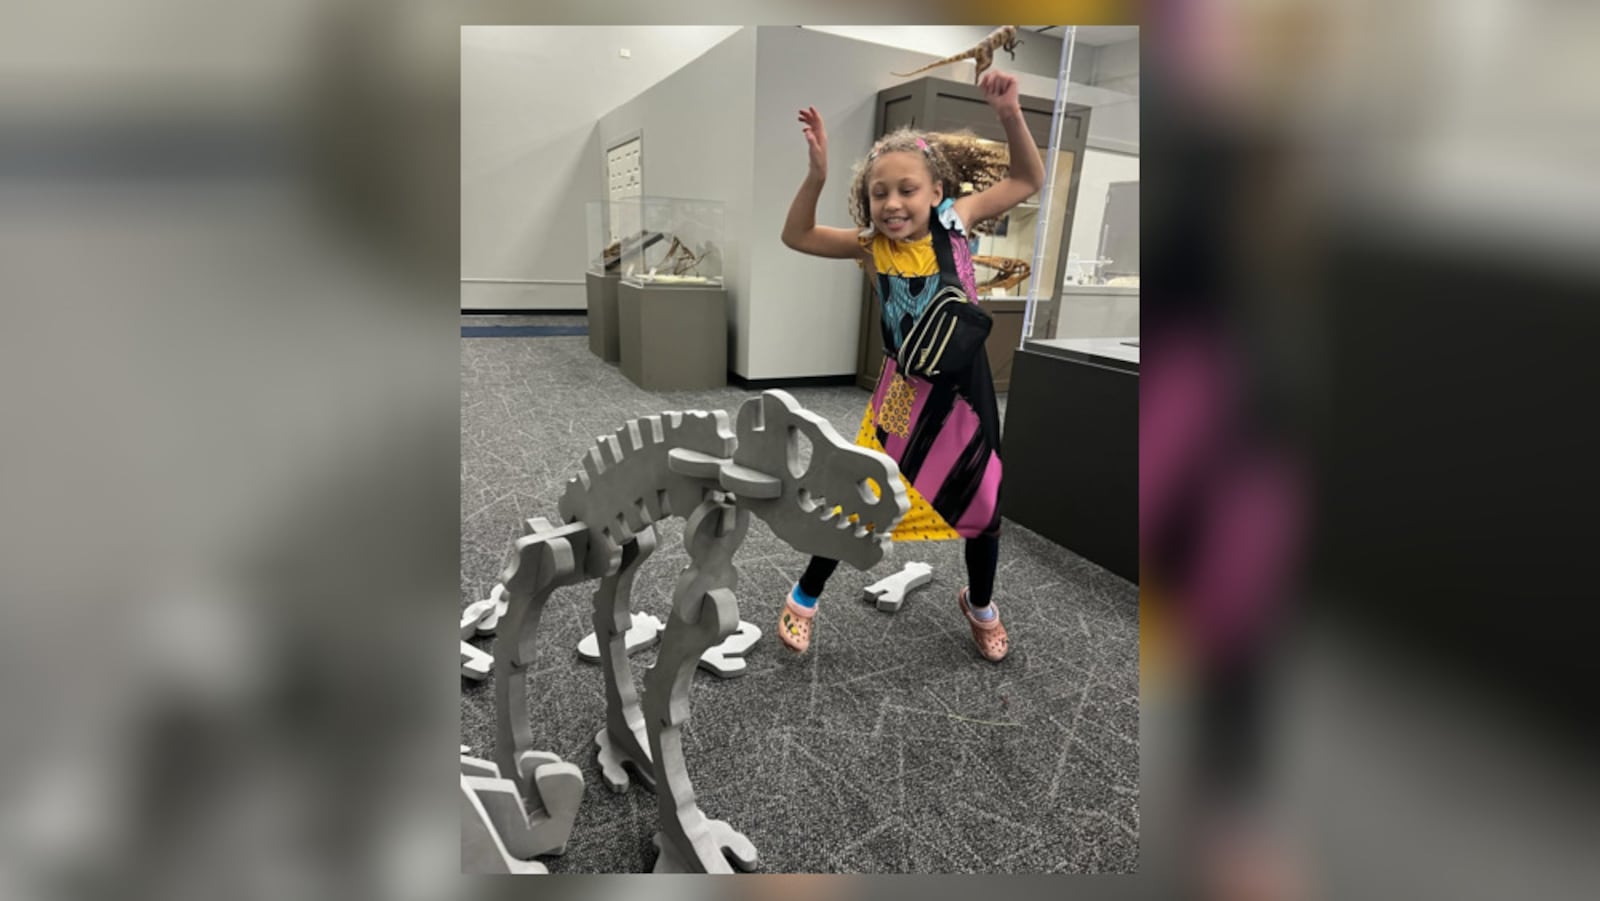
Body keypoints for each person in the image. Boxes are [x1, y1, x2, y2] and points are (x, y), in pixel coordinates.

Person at [777, 70, 1045, 662]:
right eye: (879, 192)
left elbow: (1028, 178)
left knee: (983, 505)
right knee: (861, 493)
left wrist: (1010, 114)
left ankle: (980, 605)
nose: (893, 203)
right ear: (868, 200)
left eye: (907, 189)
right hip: (902, 390)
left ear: (934, 192)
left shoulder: (958, 223)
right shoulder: (871, 245)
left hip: (967, 397)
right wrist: (817, 175)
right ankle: (805, 594)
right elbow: (794, 235)